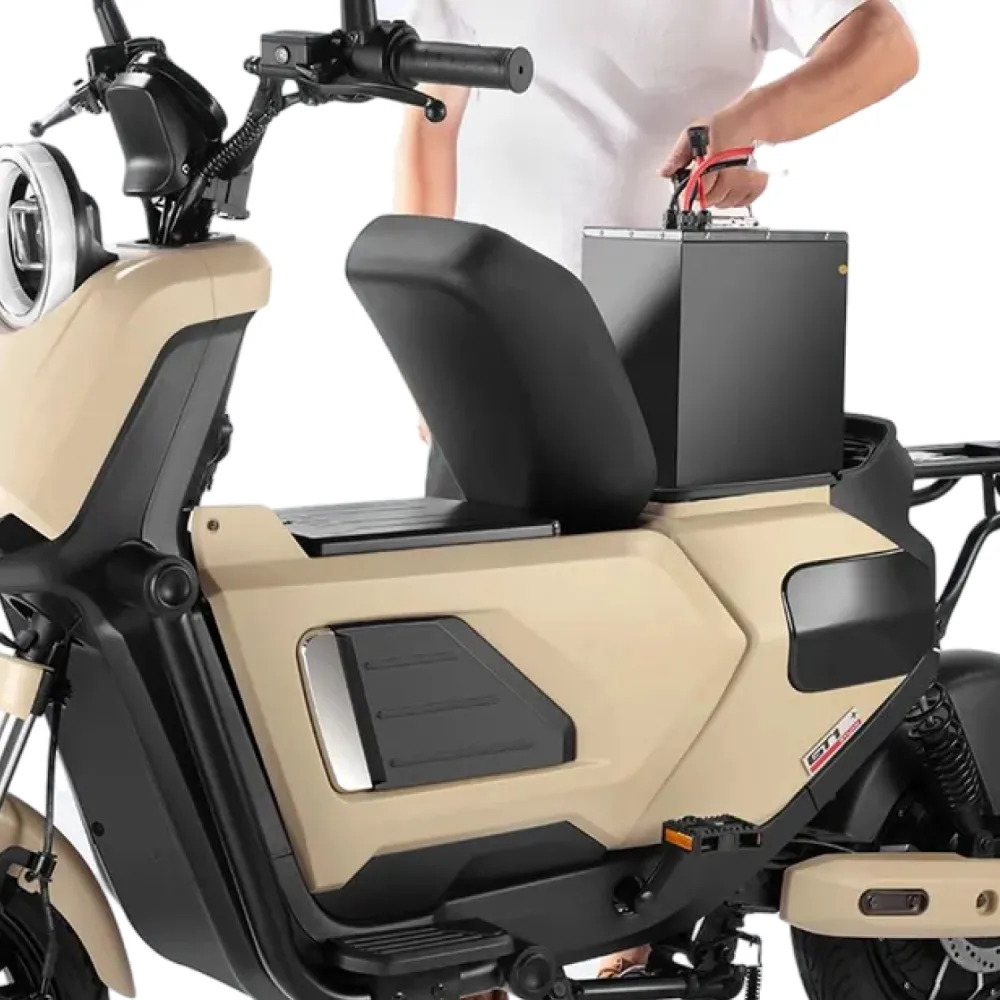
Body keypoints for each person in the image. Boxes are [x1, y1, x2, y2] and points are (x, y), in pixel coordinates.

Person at [392, 0, 919, 978]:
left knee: (648, 684)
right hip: (494, 352)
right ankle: (468, 956)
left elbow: (882, 44)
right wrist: (427, 345)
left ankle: (637, 949)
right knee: (463, 675)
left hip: (664, 345)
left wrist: (746, 122)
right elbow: (433, 120)